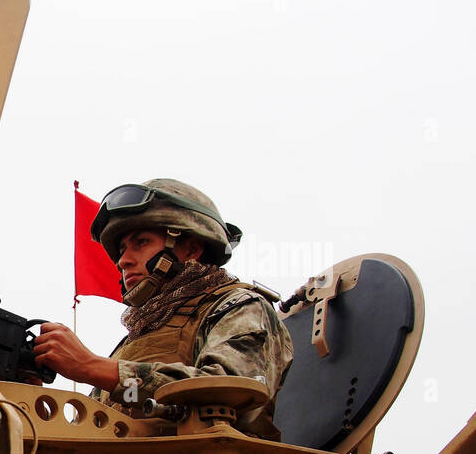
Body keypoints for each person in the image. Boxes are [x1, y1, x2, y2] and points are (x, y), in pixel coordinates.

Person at [31, 178, 293, 440]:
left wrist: (91, 367)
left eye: (141, 242)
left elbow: (232, 389)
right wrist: (33, 398)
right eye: (122, 250)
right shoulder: (133, 341)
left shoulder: (238, 306)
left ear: (191, 248)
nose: (123, 260)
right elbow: (110, 417)